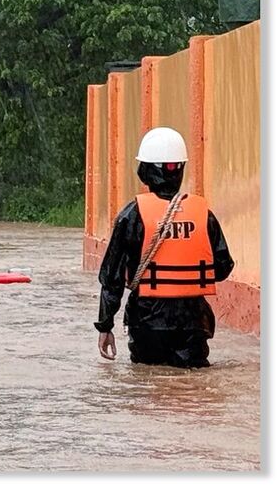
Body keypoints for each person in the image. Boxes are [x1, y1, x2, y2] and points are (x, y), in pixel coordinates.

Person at [95, 127, 235, 368]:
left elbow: (112, 279)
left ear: (145, 171)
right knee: (192, 390)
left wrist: (105, 326)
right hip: (193, 321)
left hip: (148, 322)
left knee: (148, 391)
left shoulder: (131, 215)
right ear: (180, 169)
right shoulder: (203, 214)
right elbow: (223, 268)